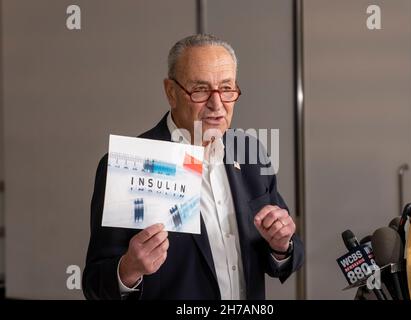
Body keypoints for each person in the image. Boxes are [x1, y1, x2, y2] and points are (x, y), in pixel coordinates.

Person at [82, 34, 304, 300]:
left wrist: (282, 245)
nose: (217, 104)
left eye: (226, 89)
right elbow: (95, 285)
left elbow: (288, 253)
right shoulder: (131, 163)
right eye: (200, 90)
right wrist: (128, 271)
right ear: (171, 92)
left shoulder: (251, 154)